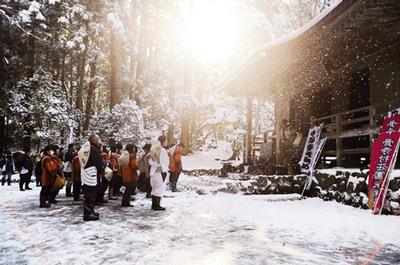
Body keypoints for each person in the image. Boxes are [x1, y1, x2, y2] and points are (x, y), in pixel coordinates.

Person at [80, 134, 104, 221]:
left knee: (90, 195)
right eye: (98, 139)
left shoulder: (87, 147)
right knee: (90, 195)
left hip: (87, 174)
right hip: (91, 175)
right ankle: (88, 214)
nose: (99, 141)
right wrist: (102, 169)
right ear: (93, 140)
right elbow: (98, 162)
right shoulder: (92, 149)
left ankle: (91, 211)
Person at [149, 135, 169, 211]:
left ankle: (154, 204)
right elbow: (165, 162)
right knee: (159, 188)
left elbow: (151, 161)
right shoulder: (162, 150)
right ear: (163, 141)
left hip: (153, 171)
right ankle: (157, 205)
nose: (167, 142)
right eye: (166, 140)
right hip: (160, 171)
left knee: (154, 188)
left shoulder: (154, 149)